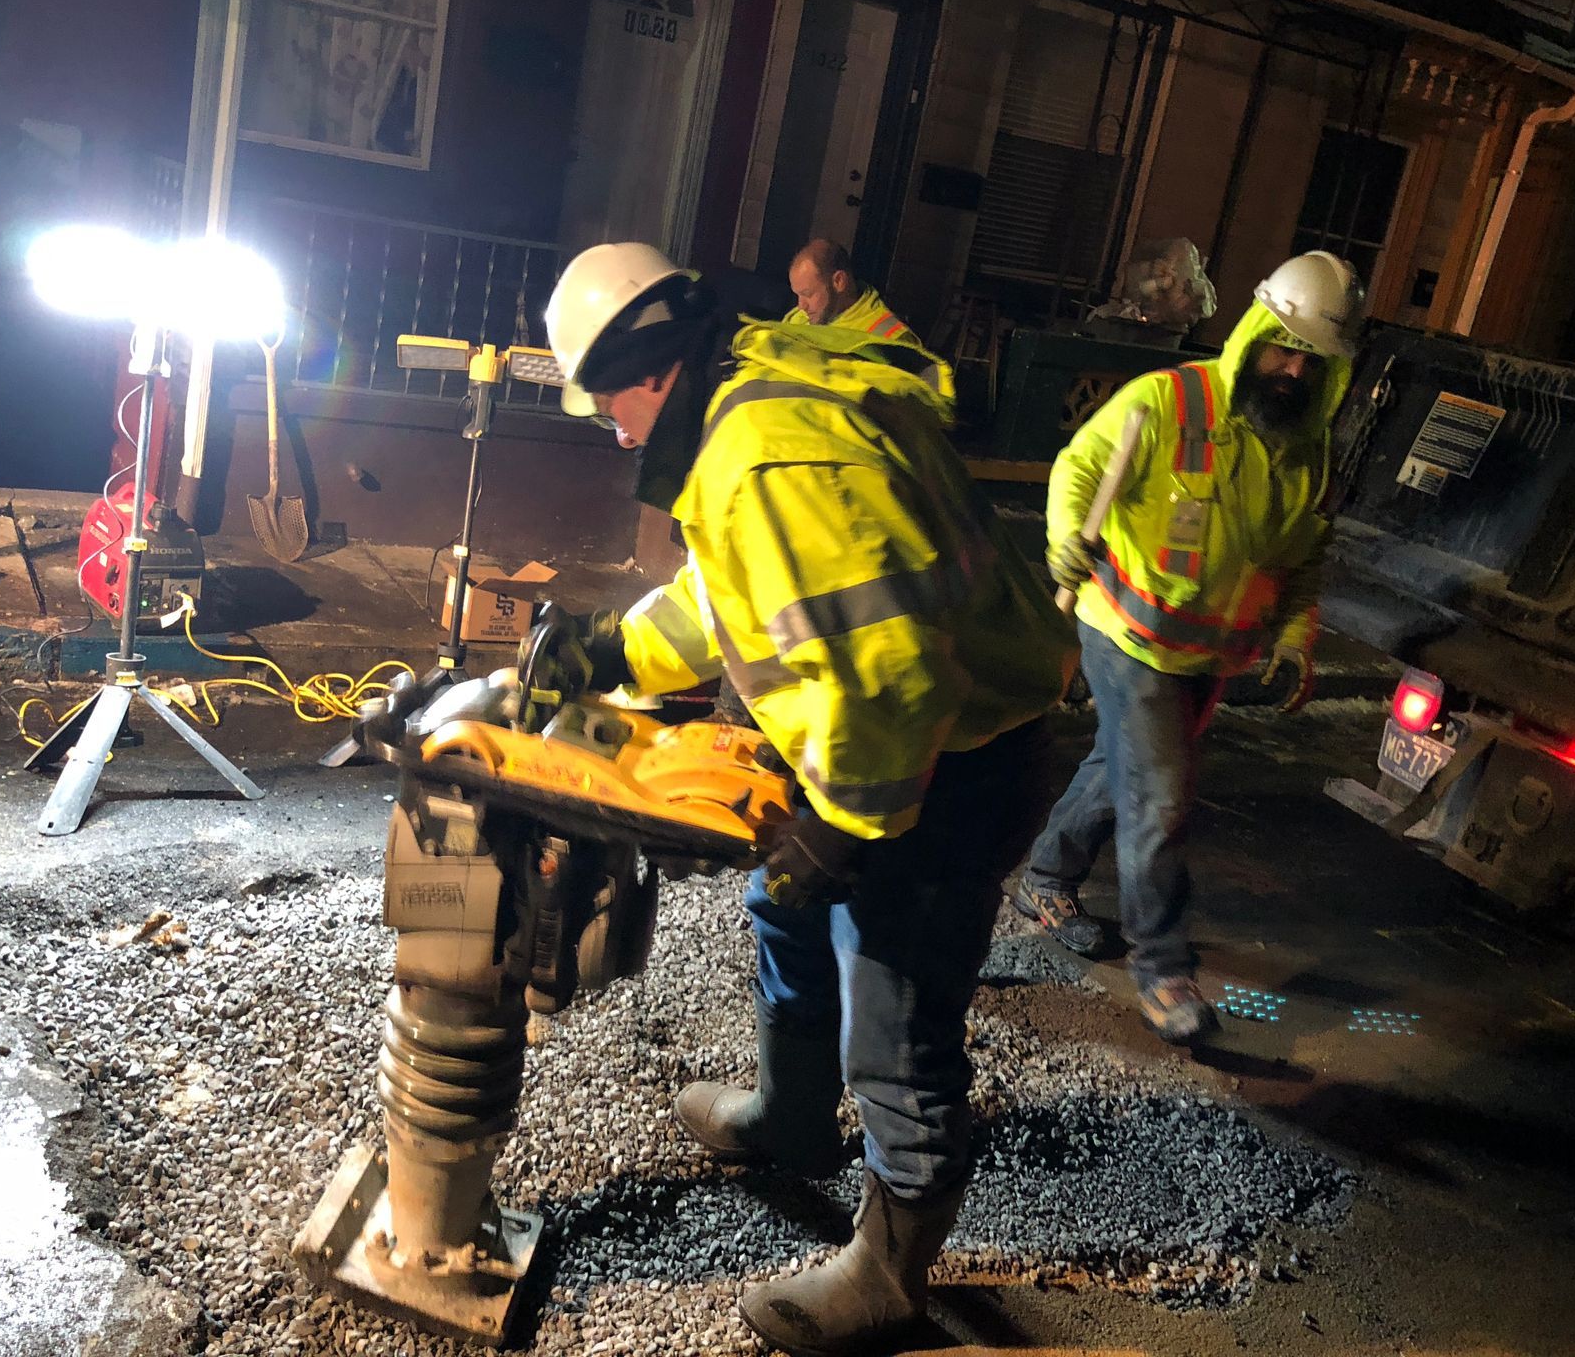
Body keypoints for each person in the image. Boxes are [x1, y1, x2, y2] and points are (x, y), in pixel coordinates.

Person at [525, 241, 1077, 1356]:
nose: (611, 429)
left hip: (956, 757)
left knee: (899, 1009)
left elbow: (896, 674)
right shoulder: (743, 404)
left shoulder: (766, 458)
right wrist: (611, 650)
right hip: (899, 745)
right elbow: (736, 594)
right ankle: (789, 1120)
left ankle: (890, 1272)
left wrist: (844, 829)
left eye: (602, 407)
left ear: (641, 367)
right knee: (782, 908)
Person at [1012, 250, 1362, 1044]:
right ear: (1254, 332)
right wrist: (1066, 539)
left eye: (1312, 361)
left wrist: (1297, 637)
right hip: (1127, 634)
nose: (1292, 371)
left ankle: (1045, 875)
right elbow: (1078, 471)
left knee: (1123, 773)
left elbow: (1303, 554)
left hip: (1210, 659)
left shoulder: (1306, 451)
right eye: (1282, 348)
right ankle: (1162, 968)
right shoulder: (1167, 401)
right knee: (1161, 800)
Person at [786, 237, 919, 344]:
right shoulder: (799, 317)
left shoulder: (889, 337)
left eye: (807, 294)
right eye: (798, 295)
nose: (801, 305)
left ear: (839, 281)